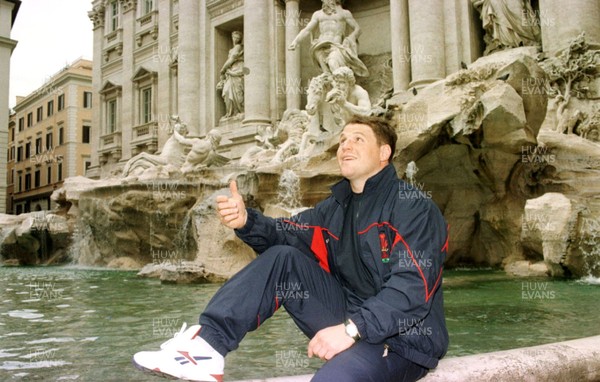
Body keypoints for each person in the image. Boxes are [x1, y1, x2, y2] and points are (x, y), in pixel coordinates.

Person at [132, 115, 449, 382]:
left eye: (357, 139)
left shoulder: (413, 207)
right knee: (284, 258)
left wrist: (352, 330)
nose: (345, 146)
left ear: (384, 153)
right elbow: (285, 234)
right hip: (351, 320)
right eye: (341, 140)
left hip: (404, 340)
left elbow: (412, 287)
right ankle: (207, 348)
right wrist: (246, 222)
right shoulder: (335, 208)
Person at [288, 0, 369, 77]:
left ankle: (340, 88)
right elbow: (307, 30)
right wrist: (296, 41)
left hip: (335, 46)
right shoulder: (318, 14)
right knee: (326, 75)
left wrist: (350, 38)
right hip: (320, 47)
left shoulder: (344, 13)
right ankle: (332, 87)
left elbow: (358, 29)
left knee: (333, 63)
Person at [217, 31, 244, 119]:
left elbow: (231, 59)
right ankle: (230, 112)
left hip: (237, 70)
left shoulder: (238, 47)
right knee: (227, 90)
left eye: (238, 38)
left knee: (237, 91)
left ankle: (238, 111)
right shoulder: (231, 49)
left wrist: (223, 69)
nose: (235, 39)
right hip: (231, 71)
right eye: (234, 37)